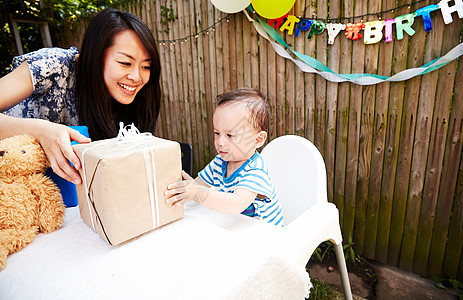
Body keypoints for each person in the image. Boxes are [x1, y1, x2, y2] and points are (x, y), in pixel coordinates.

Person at [0, 8, 161, 185]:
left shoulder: (131, 100)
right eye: (125, 63)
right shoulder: (54, 66)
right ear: (97, 54)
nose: (137, 77)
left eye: (146, 66)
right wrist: (41, 130)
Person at [165, 88, 284, 227]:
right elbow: (198, 185)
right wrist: (186, 189)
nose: (220, 142)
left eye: (230, 135)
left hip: (267, 234)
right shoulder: (220, 162)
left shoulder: (256, 170)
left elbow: (236, 204)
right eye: (217, 133)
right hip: (237, 226)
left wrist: (197, 192)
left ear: (258, 140)